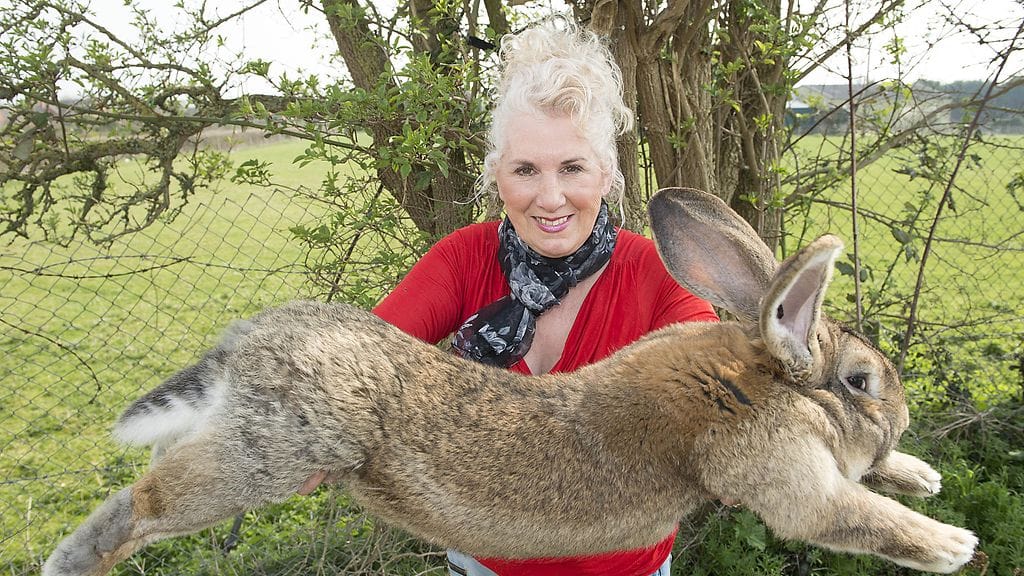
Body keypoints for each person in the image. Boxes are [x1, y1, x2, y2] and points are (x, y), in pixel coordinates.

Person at [368, 17, 719, 576]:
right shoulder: (464, 259)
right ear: (497, 176)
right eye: (526, 169)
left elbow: (722, 382)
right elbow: (359, 360)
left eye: (572, 168)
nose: (550, 198)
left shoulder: (654, 275)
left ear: (606, 174)